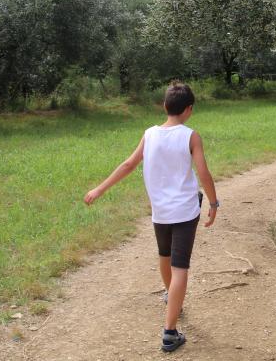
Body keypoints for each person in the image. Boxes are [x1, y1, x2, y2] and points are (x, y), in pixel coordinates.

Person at [84, 82, 219, 353]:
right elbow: (203, 173)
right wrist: (214, 202)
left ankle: (172, 298)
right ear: (189, 109)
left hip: (161, 212)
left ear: (164, 106)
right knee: (181, 267)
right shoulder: (191, 136)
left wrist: (99, 188)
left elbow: (128, 164)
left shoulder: (150, 134)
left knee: (165, 258)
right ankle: (169, 332)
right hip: (185, 211)